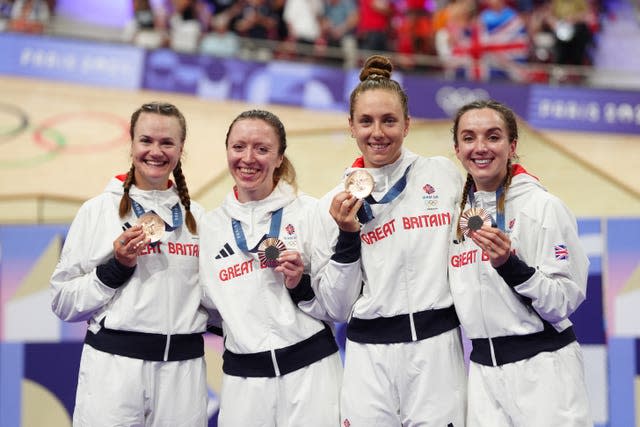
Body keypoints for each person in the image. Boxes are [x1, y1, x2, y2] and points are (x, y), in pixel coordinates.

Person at [314, 54, 467, 426]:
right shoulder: (331, 205)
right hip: (369, 358)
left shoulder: (442, 175)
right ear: (350, 126)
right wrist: (348, 239)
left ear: (408, 124)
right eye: (365, 121)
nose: (377, 133)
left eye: (389, 120)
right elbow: (335, 306)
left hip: (437, 353)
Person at [50, 102, 208, 427]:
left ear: (181, 149)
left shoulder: (199, 219)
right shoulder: (97, 211)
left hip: (182, 375)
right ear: (132, 143)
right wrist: (115, 269)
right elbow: (63, 302)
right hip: (113, 373)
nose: (156, 151)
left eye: (167, 143)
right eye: (146, 140)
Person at [199, 109, 357, 426]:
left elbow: (339, 306)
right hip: (244, 385)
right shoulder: (208, 227)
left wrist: (302, 282)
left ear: (280, 157)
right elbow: (208, 307)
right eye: (238, 147)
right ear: (227, 150)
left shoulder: (311, 212)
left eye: (262, 148)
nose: (248, 158)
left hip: (311, 374)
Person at [449, 99, 592, 426]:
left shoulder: (543, 207)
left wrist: (511, 265)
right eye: (469, 138)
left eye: (493, 136)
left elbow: (563, 301)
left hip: (543, 370)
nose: (481, 147)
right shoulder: (455, 215)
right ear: (456, 149)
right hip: (483, 374)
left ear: (512, 145)